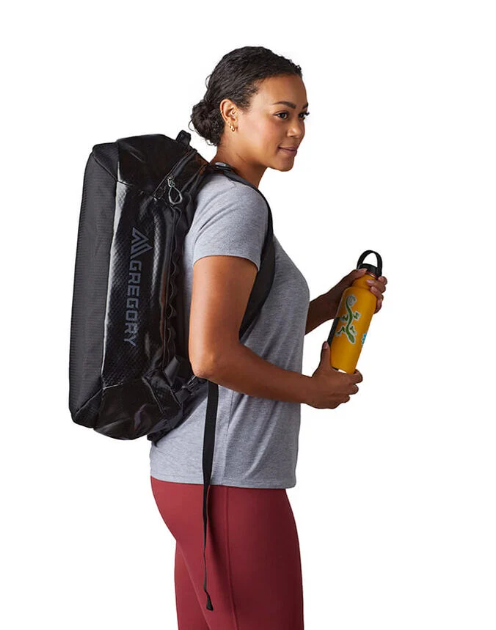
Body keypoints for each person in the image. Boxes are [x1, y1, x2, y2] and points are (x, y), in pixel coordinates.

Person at [149, 46, 387, 630]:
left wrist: (330, 304)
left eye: (303, 115)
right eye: (282, 114)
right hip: (230, 479)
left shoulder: (207, 193)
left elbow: (237, 330)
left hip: (192, 472)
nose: (297, 130)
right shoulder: (238, 206)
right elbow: (211, 356)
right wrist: (313, 390)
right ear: (231, 114)